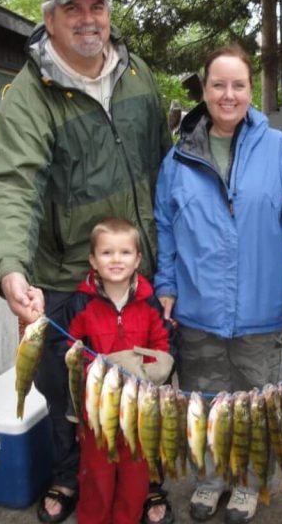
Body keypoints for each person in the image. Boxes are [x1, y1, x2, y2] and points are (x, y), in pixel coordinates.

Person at [0, 0, 172, 524]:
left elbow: (167, 169)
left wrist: (173, 263)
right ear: (51, 19)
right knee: (68, 393)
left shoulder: (139, 74)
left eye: (97, 7)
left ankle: (146, 476)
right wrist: (11, 267)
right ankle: (71, 473)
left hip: (141, 270)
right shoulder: (28, 95)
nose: (88, 19)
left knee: (148, 380)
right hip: (68, 279)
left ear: (109, 13)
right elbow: (13, 186)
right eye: (73, 9)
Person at [154, 44, 282, 524]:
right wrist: (166, 283)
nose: (229, 95)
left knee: (254, 405)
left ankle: (248, 484)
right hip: (198, 309)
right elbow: (164, 226)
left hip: (262, 310)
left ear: (251, 90)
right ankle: (211, 477)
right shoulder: (178, 159)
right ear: (203, 91)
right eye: (218, 85)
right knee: (205, 402)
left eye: (238, 85)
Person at [47, 218, 175, 524]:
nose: (116, 259)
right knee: (96, 476)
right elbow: (66, 348)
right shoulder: (80, 304)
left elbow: (164, 348)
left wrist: (142, 369)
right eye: (106, 253)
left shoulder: (149, 304)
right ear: (93, 259)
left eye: (125, 252)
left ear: (138, 259)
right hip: (96, 411)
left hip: (140, 409)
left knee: (134, 475)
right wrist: (99, 369)